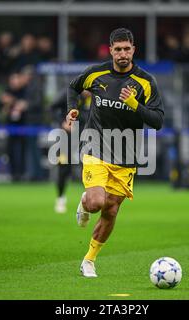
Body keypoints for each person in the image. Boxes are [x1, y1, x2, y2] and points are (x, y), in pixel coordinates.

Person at [65, 28, 164, 277]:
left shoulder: (145, 82)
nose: (122, 54)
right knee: (97, 202)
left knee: (111, 210)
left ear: (134, 50)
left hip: (126, 156)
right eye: (117, 49)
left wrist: (135, 105)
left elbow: (158, 120)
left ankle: (89, 260)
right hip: (95, 146)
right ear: (110, 50)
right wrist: (72, 109)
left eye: (126, 49)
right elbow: (72, 87)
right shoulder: (96, 74)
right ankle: (87, 202)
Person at [49, 89, 91, 214]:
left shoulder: (94, 98)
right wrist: (62, 122)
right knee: (63, 167)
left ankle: (88, 199)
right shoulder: (69, 94)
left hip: (85, 136)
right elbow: (52, 107)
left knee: (88, 167)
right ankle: (60, 198)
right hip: (65, 137)